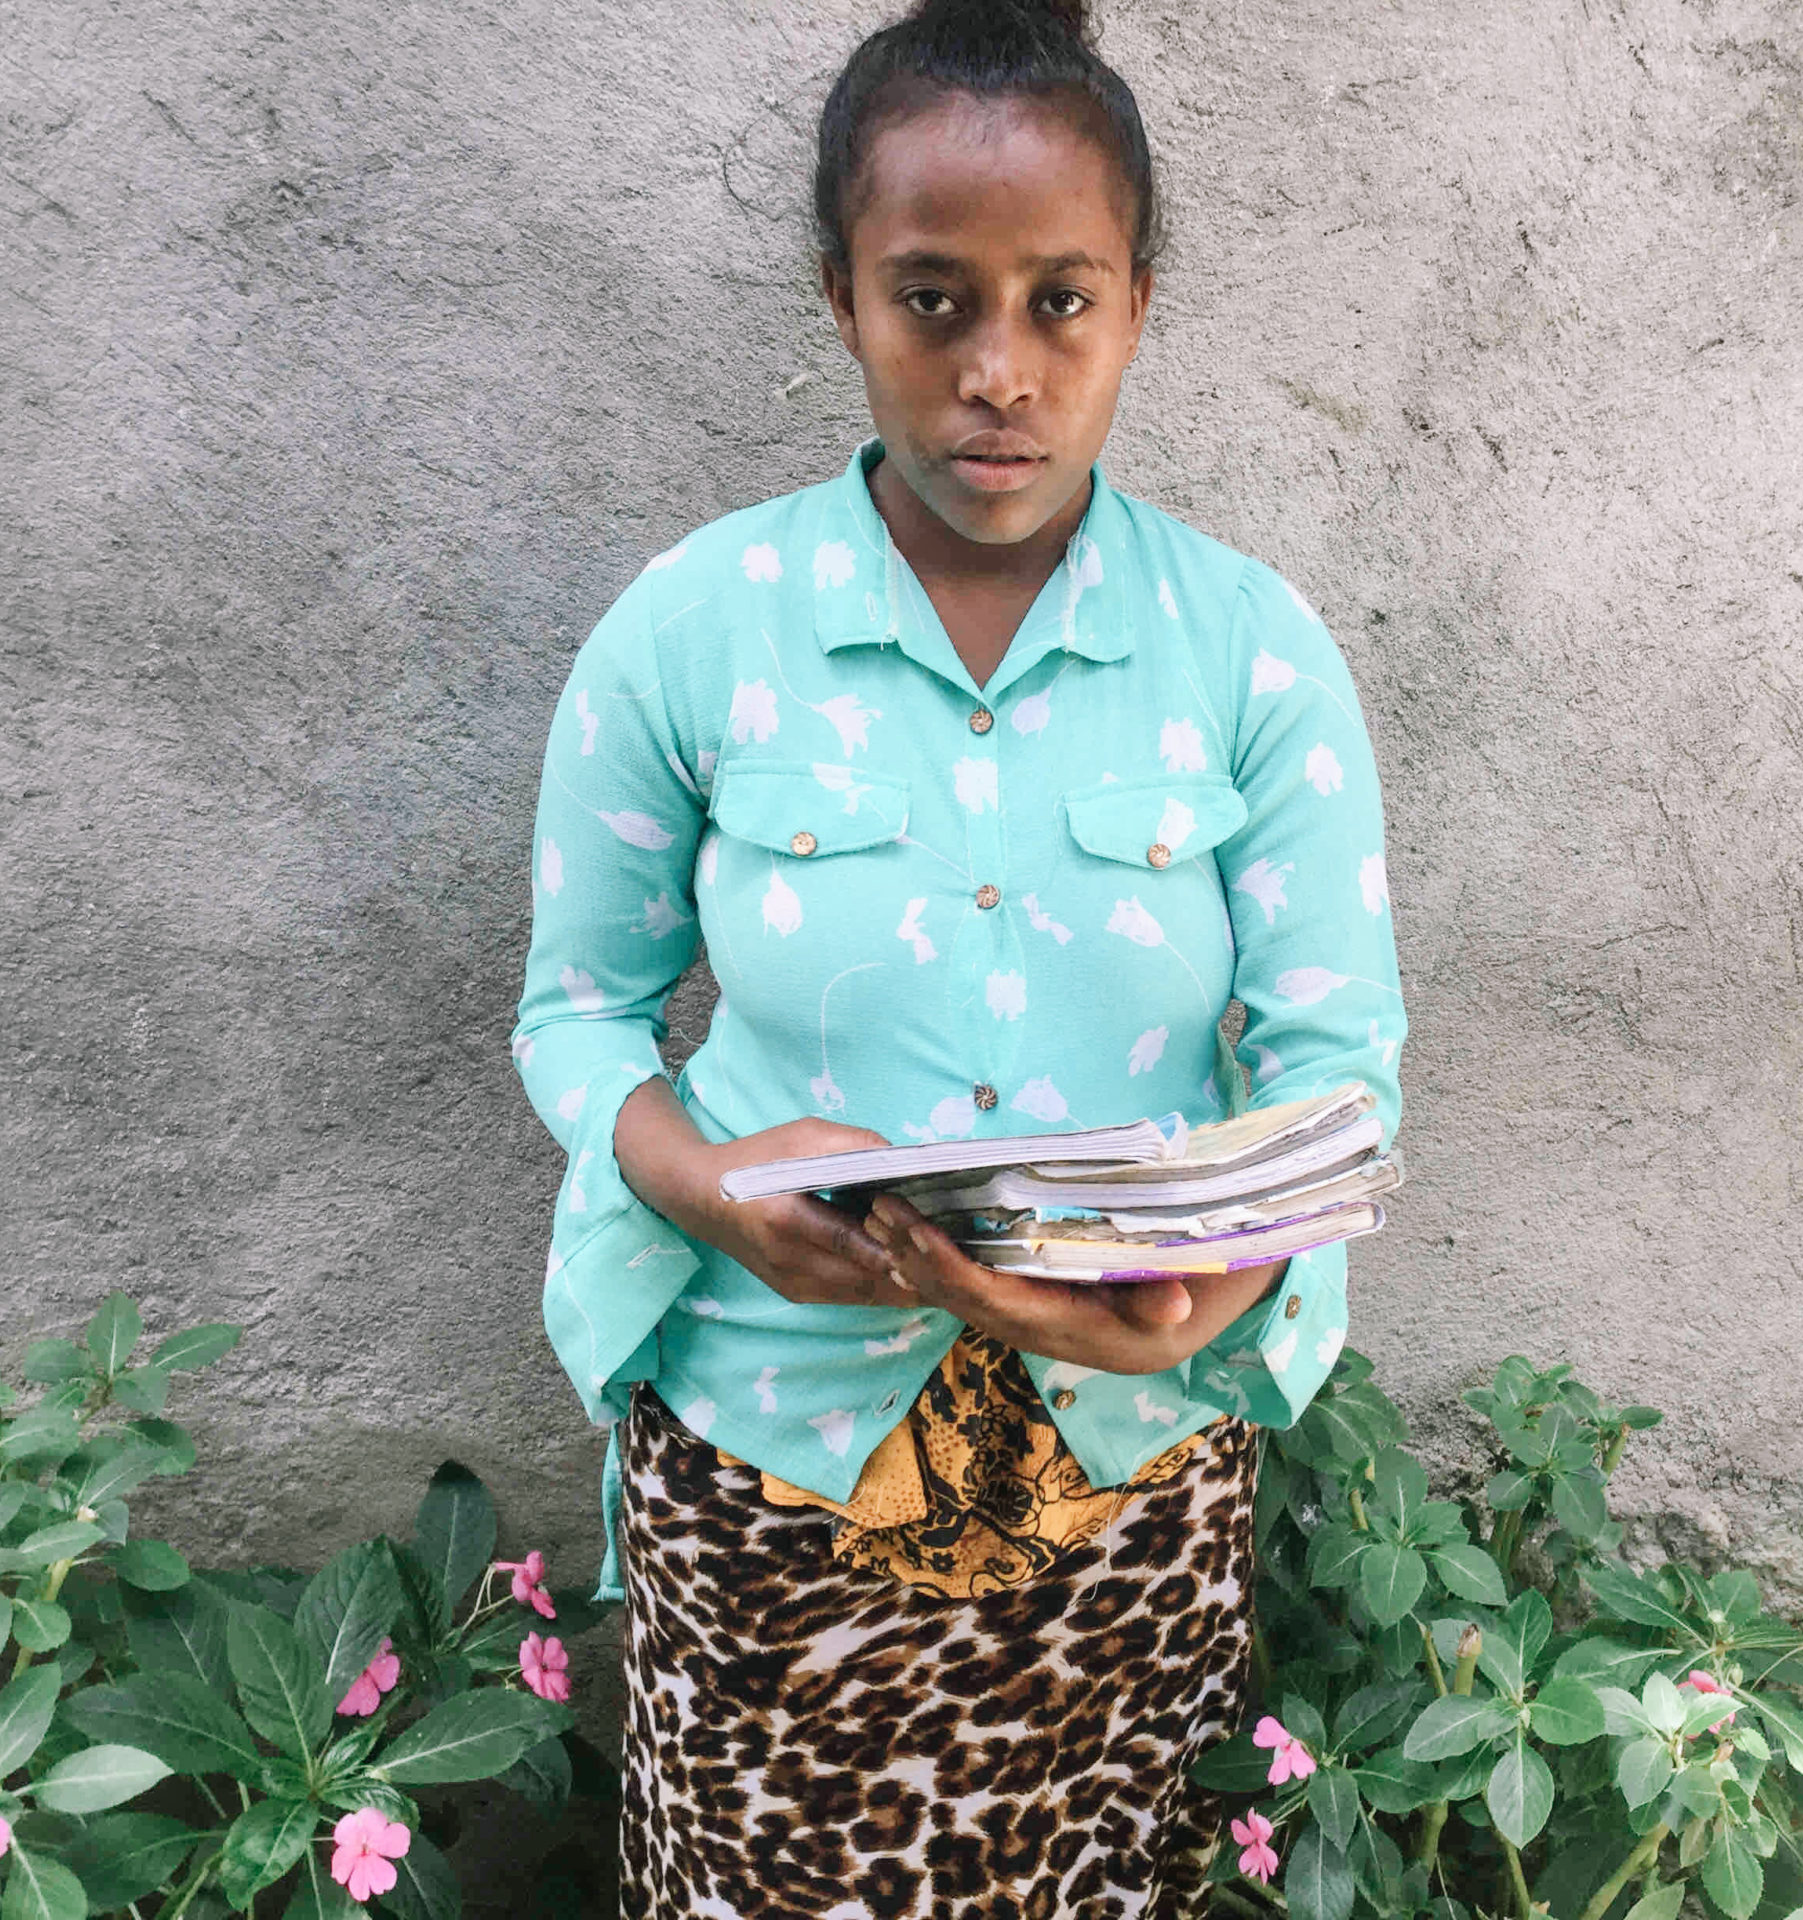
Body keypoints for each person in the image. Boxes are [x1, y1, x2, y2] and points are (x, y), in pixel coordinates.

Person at [509, 0, 1406, 1909]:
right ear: (841, 298)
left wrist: (1208, 1290)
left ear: (1138, 305)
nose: (999, 369)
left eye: (1059, 301)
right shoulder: (695, 629)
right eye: (933, 298)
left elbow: (1343, 1075)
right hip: (770, 1452)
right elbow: (575, 1009)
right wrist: (702, 1184)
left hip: (1136, 1467)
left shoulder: (1253, 654)